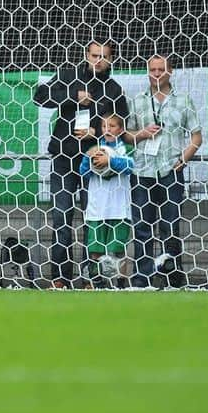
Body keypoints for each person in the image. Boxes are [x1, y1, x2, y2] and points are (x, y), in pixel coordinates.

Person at [33, 40, 128, 288]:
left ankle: (91, 278)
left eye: (104, 56)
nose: (98, 60)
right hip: (63, 159)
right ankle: (60, 278)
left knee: (93, 221)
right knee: (61, 218)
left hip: (94, 165)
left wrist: (95, 136)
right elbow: (39, 97)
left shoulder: (115, 90)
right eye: (94, 55)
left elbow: (121, 129)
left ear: (111, 59)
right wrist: (71, 96)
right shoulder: (67, 75)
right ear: (86, 55)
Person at [125, 54, 202, 288]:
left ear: (170, 71)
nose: (156, 74)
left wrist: (184, 159)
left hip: (170, 169)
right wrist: (143, 134)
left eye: (161, 70)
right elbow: (126, 135)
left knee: (170, 226)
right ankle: (142, 279)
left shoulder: (183, 100)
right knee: (142, 227)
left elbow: (196, 136)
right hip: (142, 170)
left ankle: (173, 278)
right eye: (152, 70)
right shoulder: (137, 100)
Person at [78, 115, 134, 288]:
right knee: (95, 248)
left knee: (118, 247)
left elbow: (130, 167)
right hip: (98, 207)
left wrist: (109, 160)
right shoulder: (94, 148)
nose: (107, 129)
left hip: (119, 207)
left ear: (121, 129)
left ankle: (120, 282)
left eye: (112, 125)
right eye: (104, 126)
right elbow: (83, 172)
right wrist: (90, 160)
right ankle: (97, 282)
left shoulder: (127, 148)